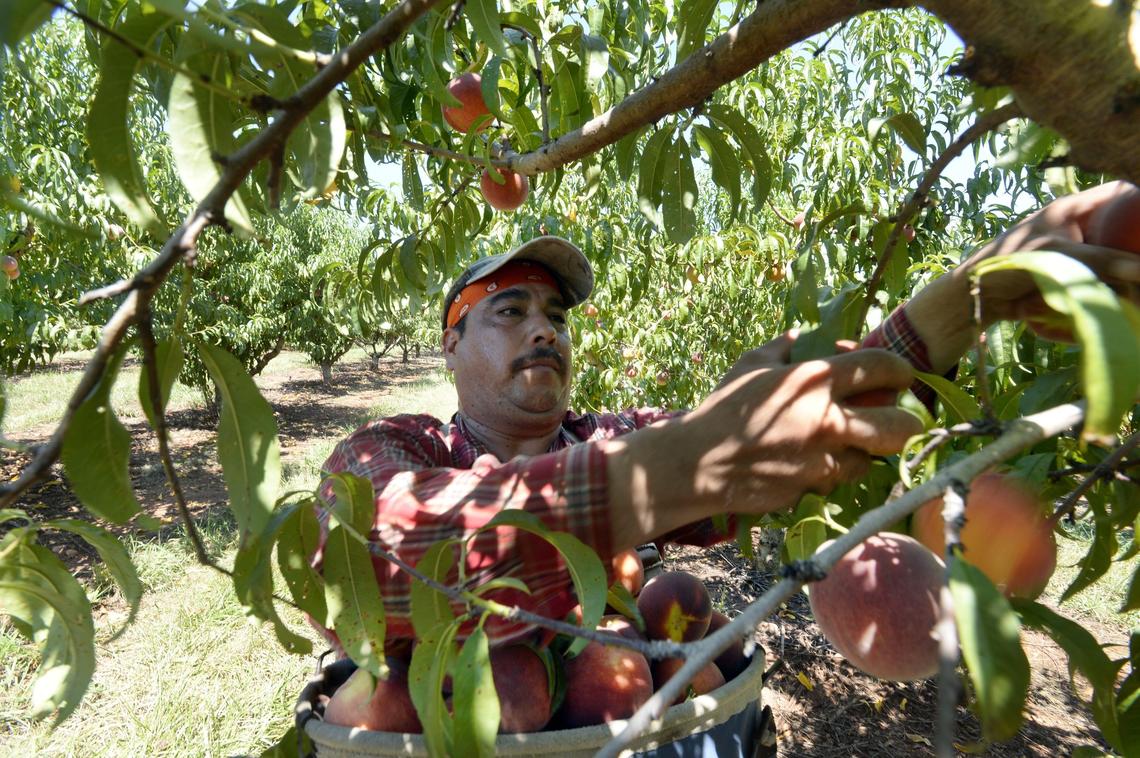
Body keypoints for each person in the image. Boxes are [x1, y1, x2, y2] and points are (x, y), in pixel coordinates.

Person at [312, 181, 1140, 650]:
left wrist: (967, 297)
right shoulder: (396, 447)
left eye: (557, 317)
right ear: (449, 347)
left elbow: (809, 429)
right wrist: (695, 461)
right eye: (509, 310)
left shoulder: (605, 441)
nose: (543, 328)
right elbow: (376, 556)